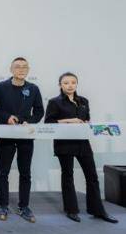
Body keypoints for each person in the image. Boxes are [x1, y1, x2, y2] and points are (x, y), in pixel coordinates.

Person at [44, 72, 118, 224]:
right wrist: (69, 120)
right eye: (66, 83)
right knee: (68, 176)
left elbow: (87, 119)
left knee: (92, 176)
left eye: (73, 82)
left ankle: (98, 210)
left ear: (76, 84)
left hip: (83, 143)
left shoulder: (84, 101)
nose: (70, 85)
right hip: (64, 143)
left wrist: (88, 124)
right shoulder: (54, 102)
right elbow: (48, 123)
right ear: (60, 85)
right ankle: (71, 210)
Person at [0, 57, 44, 222]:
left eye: (24, 67)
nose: (21, 69)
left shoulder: (33, 89)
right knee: (3, 172)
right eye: (18, 67)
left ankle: (23, 206)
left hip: (25, 136)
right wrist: (6, 117)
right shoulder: (0, 87)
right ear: (11, 69)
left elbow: (39, 112)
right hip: (6, 135)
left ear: (28, 70)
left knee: (25, 173)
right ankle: (3, 205)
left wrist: (29, 121)